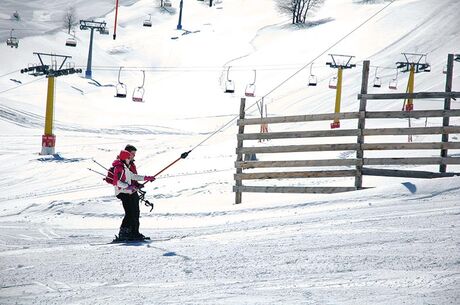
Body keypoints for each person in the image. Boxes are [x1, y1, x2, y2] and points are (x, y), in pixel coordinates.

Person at [112, 146, 155, 240]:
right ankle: (124, 233)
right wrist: (128, 186)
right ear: (125, 156)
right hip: (124, 192)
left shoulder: (126, 167)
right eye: (130, 155)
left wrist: (146, 178)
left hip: (130, 191)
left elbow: (133, 176)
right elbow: (117, 181)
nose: (132, 157)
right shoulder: (119, 167)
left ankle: (134, 233)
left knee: (135, 212)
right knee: (130, 213)